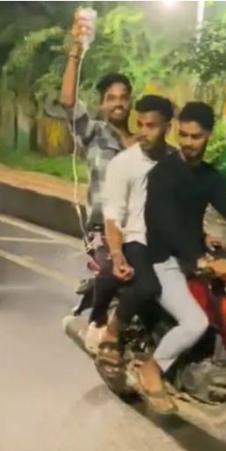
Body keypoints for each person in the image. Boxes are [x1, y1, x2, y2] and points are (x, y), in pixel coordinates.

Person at [140, 101, 226, 412]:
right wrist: (199, 259)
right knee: (195, 322)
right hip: (164, 260)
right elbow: (165, 225)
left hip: (192, 257)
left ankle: (216, 365)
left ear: (208, 136)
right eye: (184, 135)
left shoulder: (208, 177)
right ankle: (151, 369)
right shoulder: (163, 174)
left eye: (196, 136)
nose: (189, 143)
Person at [56, 11, 137, 353]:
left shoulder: (143, 143)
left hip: (138, 228)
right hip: (102, 228)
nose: (118, 103)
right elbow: (68, 102)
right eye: (111, 98)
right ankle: (97, 321)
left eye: (123, 97)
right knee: (111, 268)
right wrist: (76, 49)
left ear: (130, 101)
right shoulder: (94, 134)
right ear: (103, 104)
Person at [91, 95, 175, 405]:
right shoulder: (124, 164)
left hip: (170, 245)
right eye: (140, 124)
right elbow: (113, 216)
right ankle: (112, 332)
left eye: (151, 126)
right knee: (148, 286)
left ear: (168, 127)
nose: (143, 132)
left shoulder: (176, 162)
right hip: (135, 240)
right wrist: (116, 254)